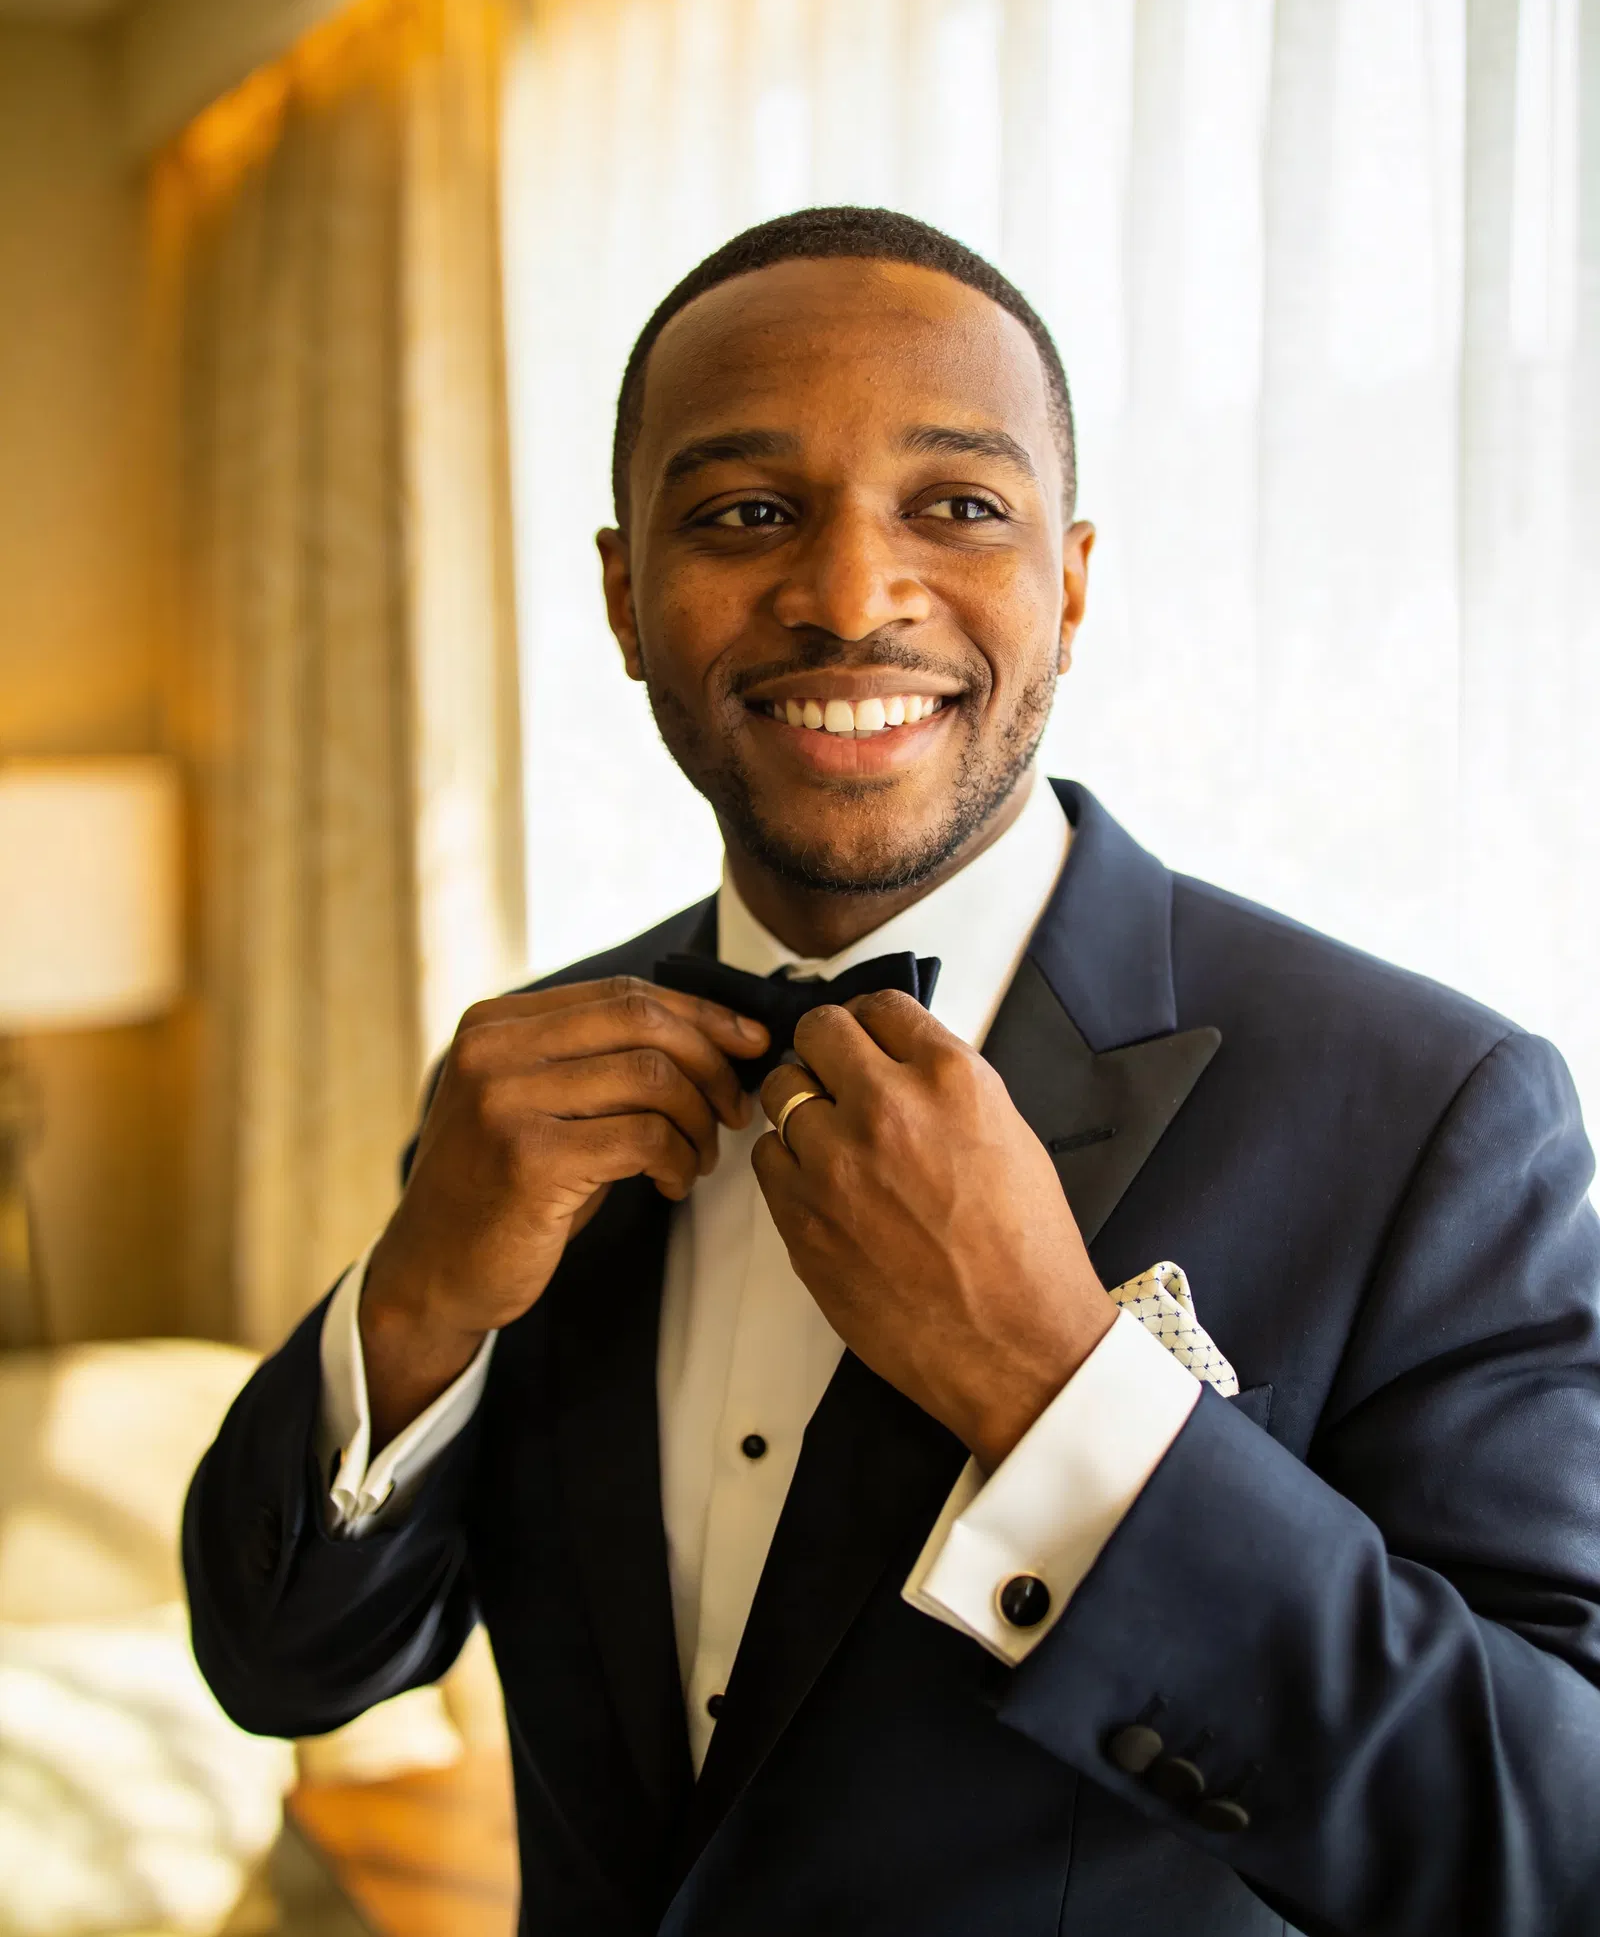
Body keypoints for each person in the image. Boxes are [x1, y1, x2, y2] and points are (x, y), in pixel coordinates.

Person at [184, 207, 1600, 1937]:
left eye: (958, 506)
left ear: (1069, 585)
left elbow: (1551, 1851)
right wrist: (415, 1301)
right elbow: (286, 1666)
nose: (852, 597)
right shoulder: (519, 1084)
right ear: (625, 596)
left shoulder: (1432, 1111)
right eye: (746, 513)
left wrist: (1055, 1386)